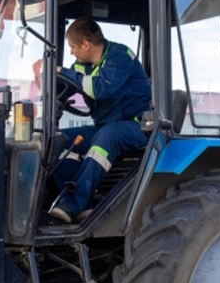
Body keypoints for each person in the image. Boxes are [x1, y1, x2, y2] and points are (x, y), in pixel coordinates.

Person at [50, 17, 152, 223]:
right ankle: (78, 203)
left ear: (86, 45)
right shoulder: (82, 64)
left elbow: (100, 89)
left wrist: (63, 71)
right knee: (59, 140)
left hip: (137, 125)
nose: (71, 52)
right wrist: (49, 77)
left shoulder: (120, 57)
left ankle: (73, 205)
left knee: (106, 138)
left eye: (72, 47)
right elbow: (69, 82)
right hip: (105, 125)